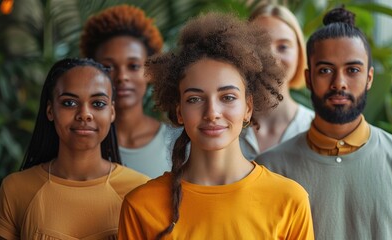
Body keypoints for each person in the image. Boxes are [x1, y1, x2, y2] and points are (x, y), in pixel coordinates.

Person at [118, 12, 314, 240]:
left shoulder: (290, 201)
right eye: (195, 99)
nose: (212, 113)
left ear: (248, 107)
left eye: (228, 97)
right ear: (179, 111)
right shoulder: (140, 206)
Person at [256, 6, 392, 240]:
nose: (339, 83)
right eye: (325, 70)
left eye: (353, 70)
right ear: (308, 78)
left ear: (369, 78)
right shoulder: (268, 170)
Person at [0, 58, 149, 239]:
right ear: (50, 111)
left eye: (98, 103)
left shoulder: (141, 190)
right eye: (69, 103)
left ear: (112, 112)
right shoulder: (16, 189)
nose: (85, 114)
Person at [80, 4, 177, 178]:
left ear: (151, 72)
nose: (122, 76)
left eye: (133, 66)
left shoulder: (178, 142)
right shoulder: (80, 141)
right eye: (108, 67)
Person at [239, 4, 314, 160]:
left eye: (283, 46)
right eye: (260, 45)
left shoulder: (316, 129)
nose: (271, 57)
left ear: (300, 55)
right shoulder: (222, 125)